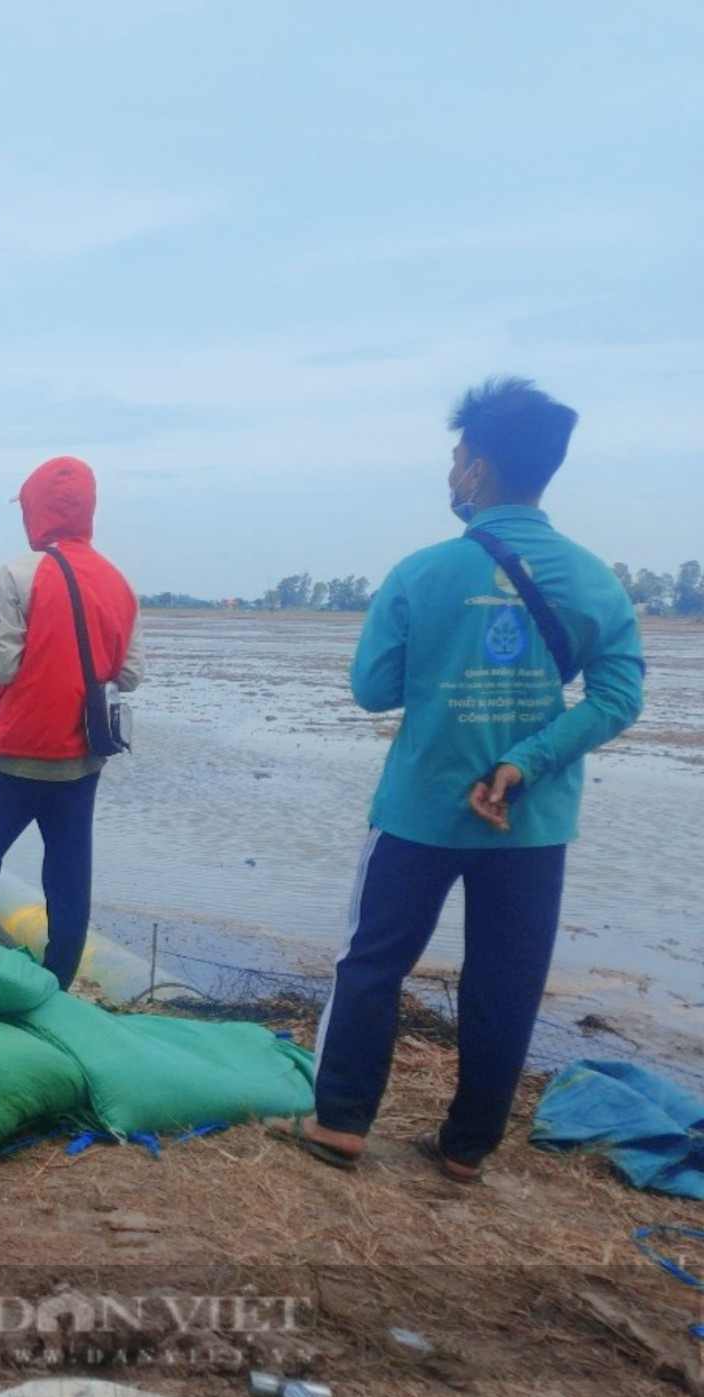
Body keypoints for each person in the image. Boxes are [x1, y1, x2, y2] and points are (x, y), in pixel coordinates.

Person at [269, 377, 645, 1183]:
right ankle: (466, 1149)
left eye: (455, 459)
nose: (450, 473)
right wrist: (525, 759)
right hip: (532, 821)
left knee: (371, 963)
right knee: (506, 983)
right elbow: (619, 696)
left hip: (418, 811)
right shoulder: (592, 579)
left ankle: (339, 1123)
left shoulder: (423, 572)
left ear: (476, 468)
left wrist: (449, 665)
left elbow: (373, 689)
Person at [0, 455, 142, 989]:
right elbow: (130, 674)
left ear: (35, 510)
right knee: (68, 879)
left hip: (18, 752)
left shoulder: (16, 574)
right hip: (83, 759)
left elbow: (2, 664)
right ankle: (56, 989)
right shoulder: (119, 584)